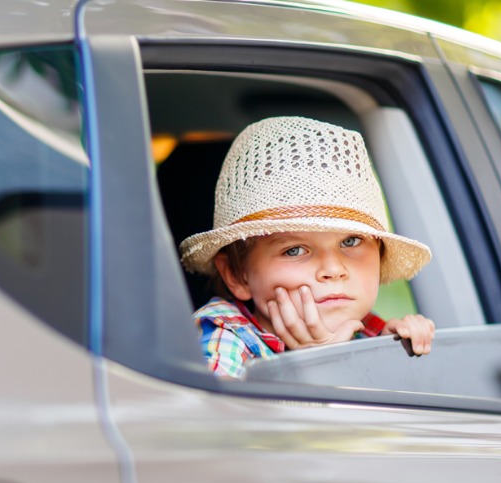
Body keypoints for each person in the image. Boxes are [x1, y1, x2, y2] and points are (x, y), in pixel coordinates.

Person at [178, 116, 435, 379]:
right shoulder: (226, 337)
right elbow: (218, 417)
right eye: (294, 250)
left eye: (350, 241)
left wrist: (399, 353)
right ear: (236, 274)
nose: (333, 270)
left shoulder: (367, 328)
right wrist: (317, 368)